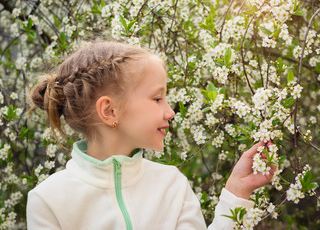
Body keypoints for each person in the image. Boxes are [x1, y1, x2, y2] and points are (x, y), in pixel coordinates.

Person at [27, 41, 274, 229]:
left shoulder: (172, 185)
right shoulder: (49, 201)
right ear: (110, 110)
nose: (170, 112)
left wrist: (236, 195)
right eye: (157, 98)